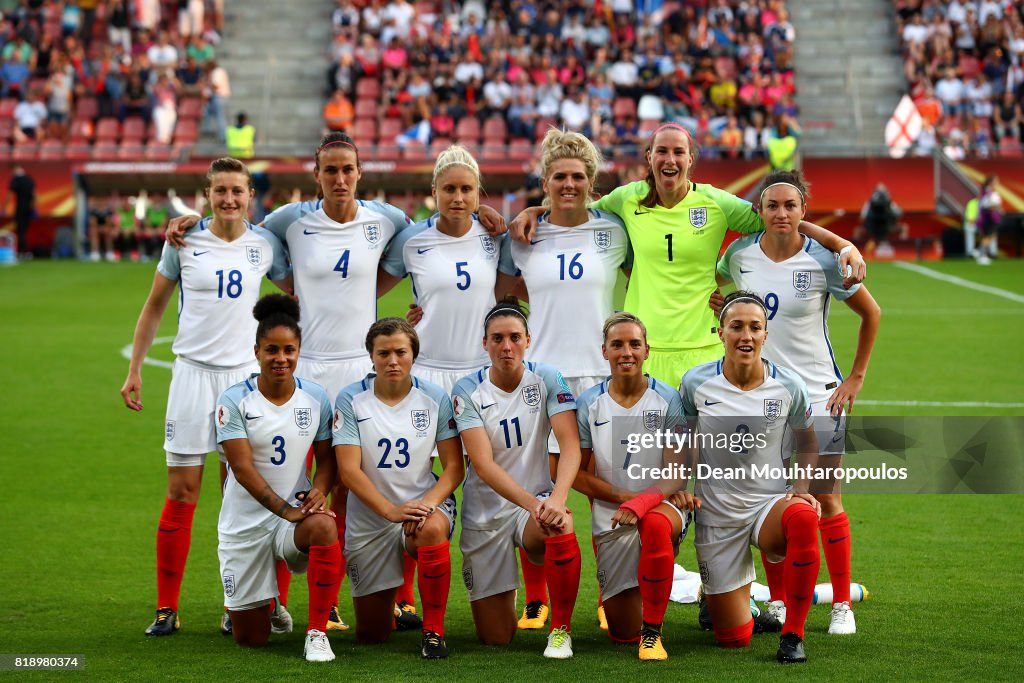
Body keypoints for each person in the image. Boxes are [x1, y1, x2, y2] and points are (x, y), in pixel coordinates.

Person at [164, 132, 503, 631]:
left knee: (379, 477)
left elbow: (409, 254)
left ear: (360, 173)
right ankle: (262, 598)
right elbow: (242, 229)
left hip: (357, 368)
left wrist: (484, 218)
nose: (340, 178)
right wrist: (191, 222)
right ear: (316, 175)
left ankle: (389, 597)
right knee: (284, 477)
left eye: (348, 169)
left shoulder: (386, 220)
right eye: (330, 170)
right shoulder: (291, 221)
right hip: (305, 368)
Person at [510, 123, 866, 391]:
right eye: (661, 151)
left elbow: (782, 220)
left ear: (690, 160)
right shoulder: (625, 199)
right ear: (649, 158)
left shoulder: (716, 202)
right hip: (644, 347)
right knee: (647, 465)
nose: (670, 159)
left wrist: (842, 245)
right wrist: (533, 211)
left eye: (678, 152)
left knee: (710, 460)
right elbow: (574, 209)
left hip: (705, 347)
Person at [119, 158, 290, 637]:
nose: (229, 199)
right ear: (207, 195)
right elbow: (154, 306)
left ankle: (243, 602)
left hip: (242, 383)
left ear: (251, 196)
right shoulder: (184, 242)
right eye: (220, 191)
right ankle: (166, 609)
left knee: (244, 496)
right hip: (191, 378)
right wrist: (134, 369)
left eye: (238, 191)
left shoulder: (265, 244)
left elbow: (305, 291)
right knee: (182, 492)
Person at [715, 171, 881, 636]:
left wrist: (855, 378)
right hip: (763, 399)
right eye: (772, 206)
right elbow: (717, 287)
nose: (781, 213)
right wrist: (719, 301)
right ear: (760, 212)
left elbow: (872, 313)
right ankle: (785, 604)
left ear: (804, 210)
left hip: (820, 396)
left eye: (791, 205)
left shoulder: (825, 260)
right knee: (772, 501)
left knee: (826, 497)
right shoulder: (739, 254)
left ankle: (841, 603)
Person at [502, 128, 631, 630]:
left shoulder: (615, 231)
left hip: (601, 375)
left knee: (603, 485)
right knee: (537, 485)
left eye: (578, 176)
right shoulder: (522, 236)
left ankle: (607, 593)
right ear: (545, 182)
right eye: (560, 176)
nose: (569, 184)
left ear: (592, 181)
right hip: (543, 377)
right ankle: (536, 598)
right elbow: (499, 291)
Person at [681, 290, 823, 664]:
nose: (746, 335)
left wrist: (801, 490)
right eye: (737, 327)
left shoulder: (789, 385)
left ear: (765, 335)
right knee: (733, 640)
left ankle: (793, 634)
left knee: (804, 516)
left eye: (754, 327)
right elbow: (680, 443)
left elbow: (809, 443)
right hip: (717, 515)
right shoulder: (695, 383)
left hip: (767, 506)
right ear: (720, 332)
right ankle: (737, 608)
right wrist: (676, 490)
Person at [452, 299, 583, 659]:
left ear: (528, 340)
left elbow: (570, 445)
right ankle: (507, 597)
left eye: (514, 337)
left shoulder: (548, 378)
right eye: (497, 339)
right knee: (496, 638)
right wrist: (536, 503)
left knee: (561, 524)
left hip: (535, 507)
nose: (506, 346)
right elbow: (483, 464)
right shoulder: (466, 389)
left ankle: (561, 630)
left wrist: (555, 500)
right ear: (485, 343)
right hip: (486, 515)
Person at [215, 294, 341, 662]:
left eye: (289, 350)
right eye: (272, 350)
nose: (281, 359)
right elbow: (242, 470)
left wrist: (318, 491)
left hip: (294, 521)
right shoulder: (234, 399)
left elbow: (327, 460)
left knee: (325, 526)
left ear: (300, 351)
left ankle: (317, 631)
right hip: (245, 525)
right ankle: (267, 603)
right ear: (256, 351)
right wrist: (285, 509)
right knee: (250, 640)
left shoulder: (316, 397)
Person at [333, 318, 464, 659]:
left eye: (400, 352)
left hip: (422, 504)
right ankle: (391, 607)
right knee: (371, 635)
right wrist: (389, 511)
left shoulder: (434, 397)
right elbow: (348, 470)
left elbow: (453, 467)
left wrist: (428, 504)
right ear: (371, 356)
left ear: (413, 355)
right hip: (372, 517)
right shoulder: (351, 399)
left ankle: (434, 631)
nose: (392, 361)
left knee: (431, 529)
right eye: (384, 353)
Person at [574, 312, 697, 660]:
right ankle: (672, 592)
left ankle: (653, 635)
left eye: (634, 344)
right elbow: (577, 474)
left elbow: (677, 472)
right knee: (621, 632)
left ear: (647, 351)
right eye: (617, 344)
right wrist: (624, 499)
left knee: (655, 525)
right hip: (614, 517)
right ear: (604, 351)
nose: (626, 351)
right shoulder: (588, 404)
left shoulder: (668, 399)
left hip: (661, 507)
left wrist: (641, 504)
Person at [381, 145, 518, 393]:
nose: (458, 198)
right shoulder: (411, 240)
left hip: (484, 369)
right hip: (427, 368)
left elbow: (500, 297)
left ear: (477, 193)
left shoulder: (497, 235)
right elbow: (369, 289)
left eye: (466, 189)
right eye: (449, 189)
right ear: (434, 191)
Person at [859, 183, 902, 257]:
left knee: (903, 228)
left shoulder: (890, 203)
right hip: (872, 229)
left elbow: (898, 213)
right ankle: (859, 252)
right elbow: (862, 217)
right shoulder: (869, 203)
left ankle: (901, 251)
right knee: (858, 231)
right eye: (879, 191)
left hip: (887, 228)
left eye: (883, 191)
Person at [3, 165, 35, 257]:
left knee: (20, 230)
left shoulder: (16, 180)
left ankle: (23, 251)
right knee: (24, 230)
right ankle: (24, 251)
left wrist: (4, 207)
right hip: (28, 209)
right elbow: (34, 194)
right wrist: (34, 208)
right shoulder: (29, 179)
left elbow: (9, 194)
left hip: (20, 208)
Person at [976, 175, 1002, 265]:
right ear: (991, 182)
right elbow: (987, 204)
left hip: (991, 215)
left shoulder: (990, 191)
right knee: (988, 236)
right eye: (996, 181)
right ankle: (981, 254)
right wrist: (996, 206)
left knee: (992, 236)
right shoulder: (988, 191)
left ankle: (981, 253)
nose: (997, 183)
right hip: (988, 215)